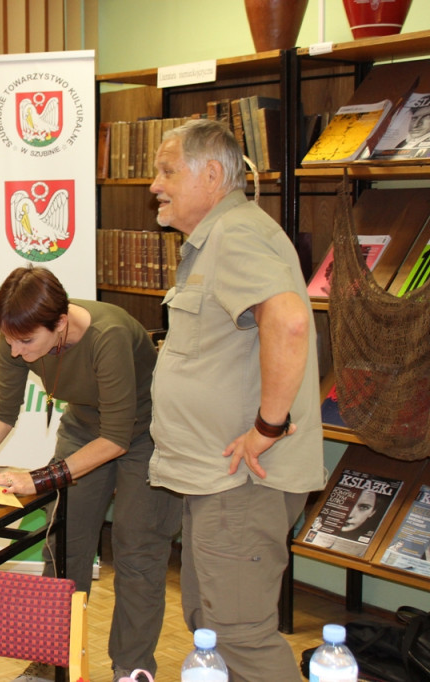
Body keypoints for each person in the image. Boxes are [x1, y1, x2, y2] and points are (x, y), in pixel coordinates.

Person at [148, 118, 324, 681]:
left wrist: (266, 429)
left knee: (240, 637)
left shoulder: (236, 233)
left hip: (246, 480)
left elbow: (290, 323)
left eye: (168, 170)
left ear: (213, 175)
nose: (155, 184)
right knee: (210, 628)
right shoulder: (214, 239)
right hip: (219, 480)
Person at [0, 265, 182, 682]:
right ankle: (53, 661)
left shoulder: (107, 335)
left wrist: (36, 479)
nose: (16, 351)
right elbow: (3, 411)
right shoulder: (18, 333)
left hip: (145, 433)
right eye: (9, 340)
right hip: (85, 427)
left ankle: (133, 667)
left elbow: (116, 438)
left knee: (137, 548)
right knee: (64, 542)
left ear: (60, 323)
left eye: (26, 342)